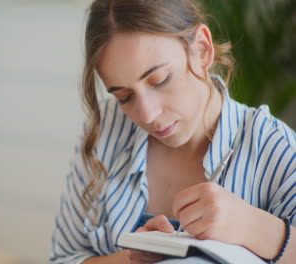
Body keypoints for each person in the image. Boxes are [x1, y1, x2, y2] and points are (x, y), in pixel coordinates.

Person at [49, 0, 295, 263]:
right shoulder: (108, 128)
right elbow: (65, 258)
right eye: (124, 96)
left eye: (160, 80)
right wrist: (134, 259)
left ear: (202, 49)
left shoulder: (273, 146)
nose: (148, 115)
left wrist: (251, 226)